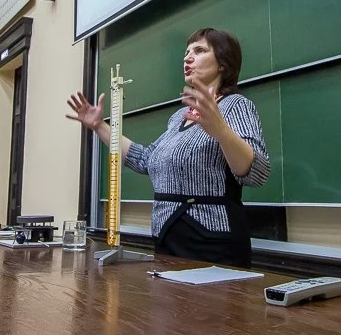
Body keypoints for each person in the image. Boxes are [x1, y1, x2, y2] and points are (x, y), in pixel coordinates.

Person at [67, 28, 271, 267]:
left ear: (223, 64)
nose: (188, 58)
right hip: (166, 236)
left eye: (199, 50)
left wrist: (221, 132)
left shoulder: (236, 105)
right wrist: (99, 125)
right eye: (186, 52)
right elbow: (144, 159)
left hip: (212, 240)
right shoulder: (178, 118)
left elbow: (257, 172)